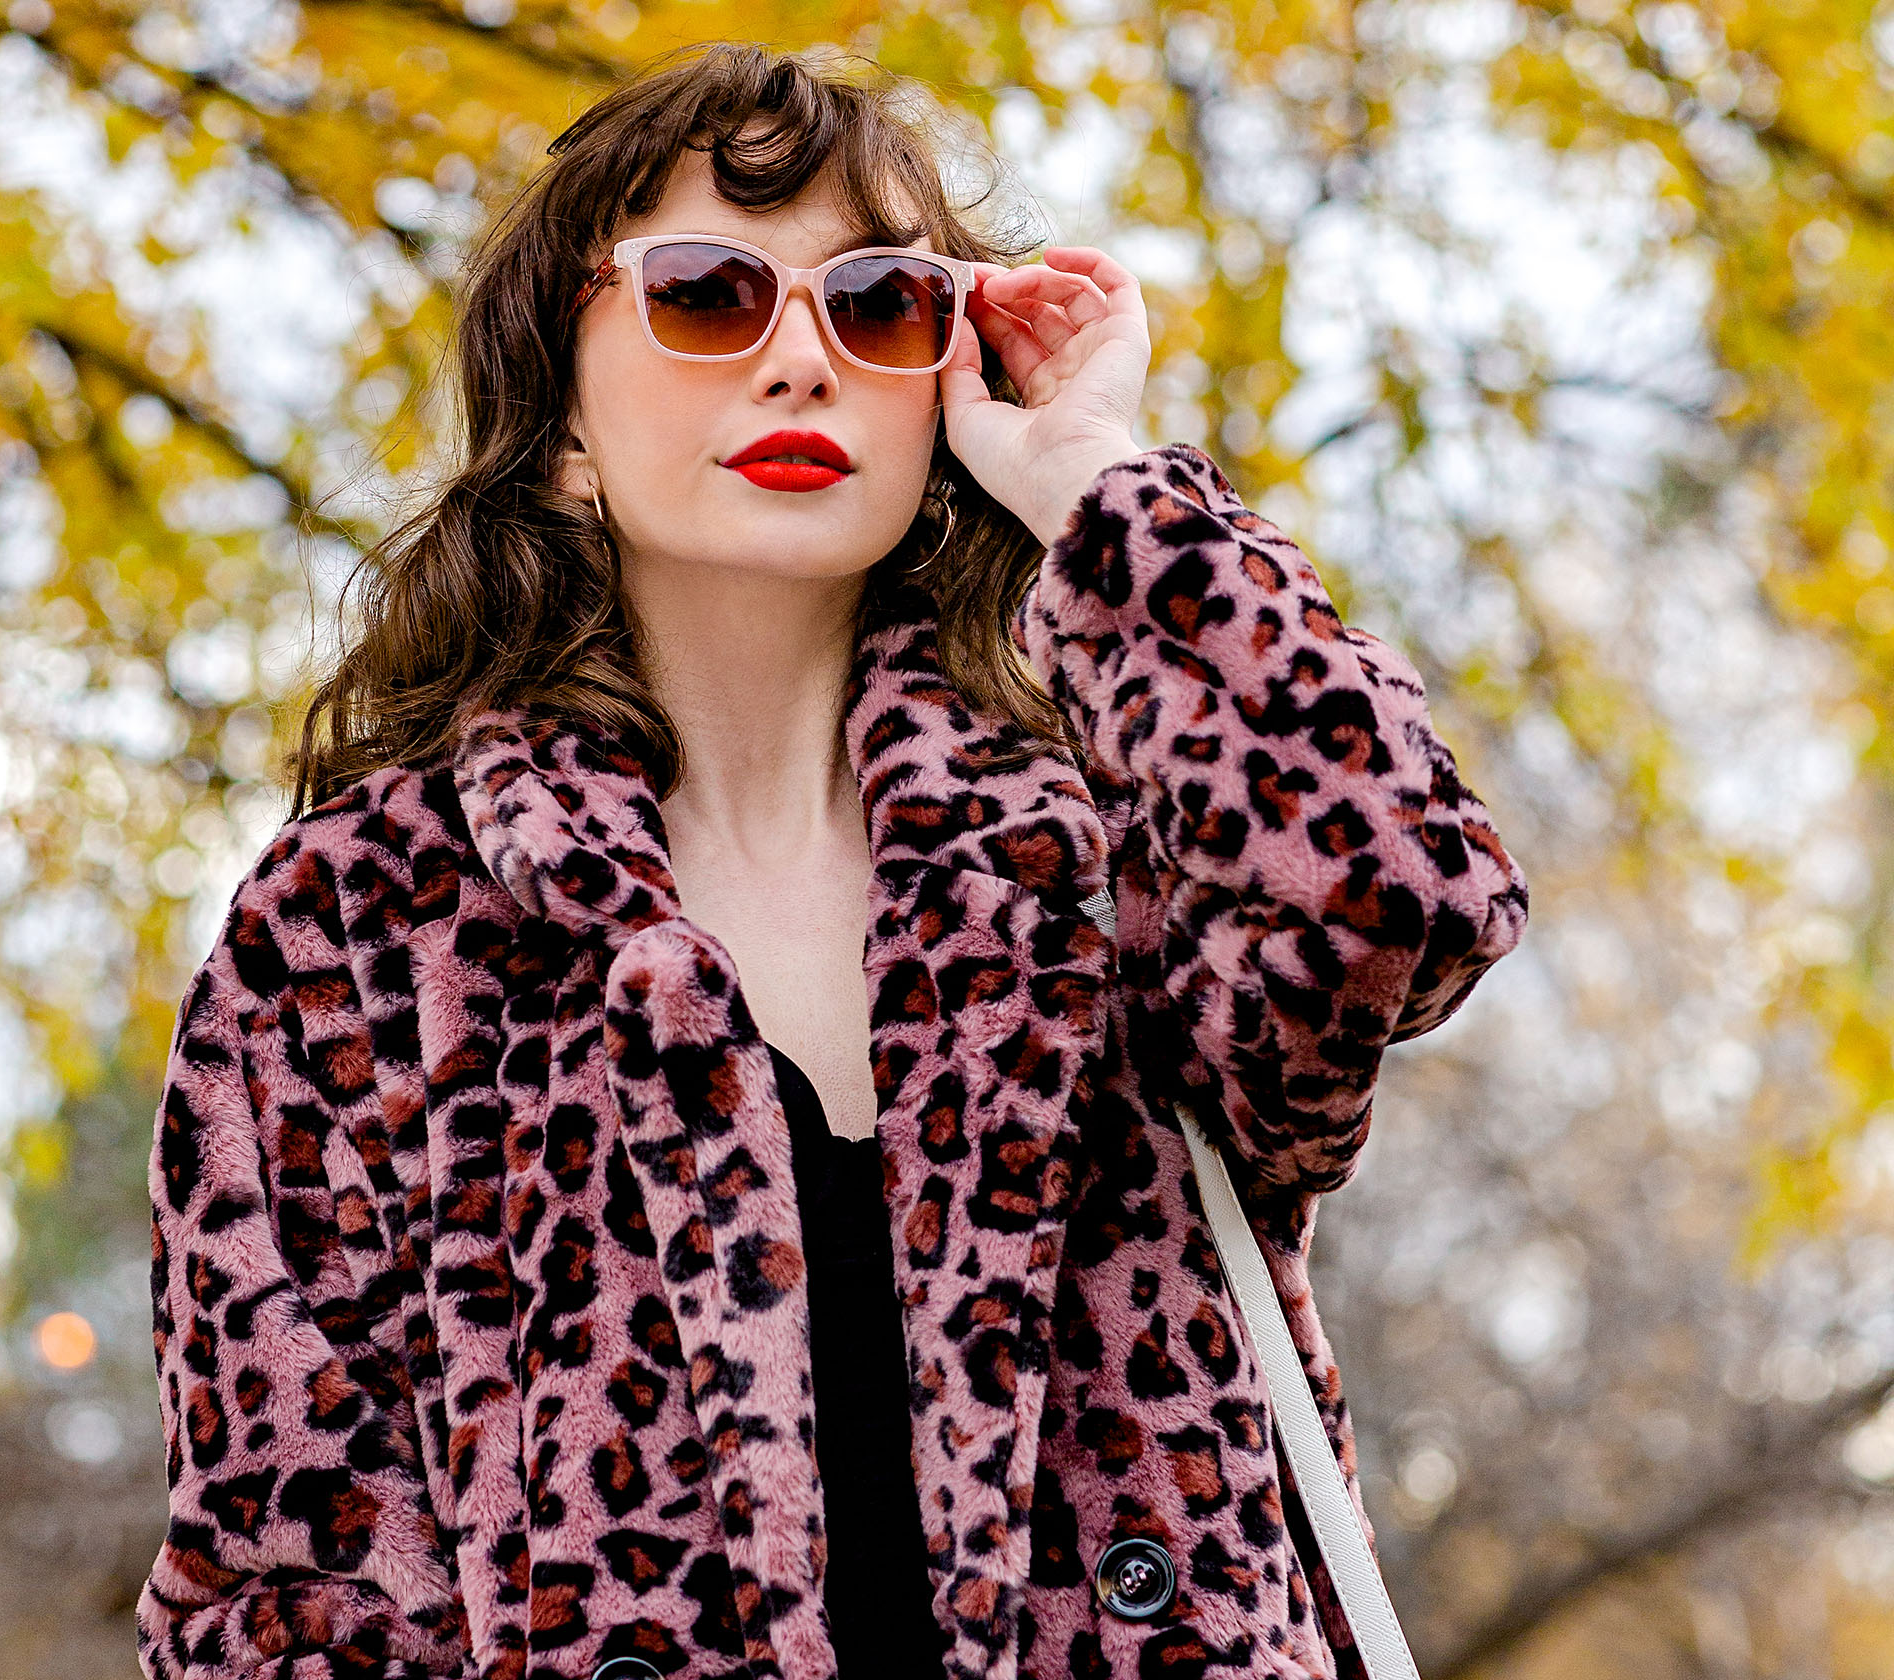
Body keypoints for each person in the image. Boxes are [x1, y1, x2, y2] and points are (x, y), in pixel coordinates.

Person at [137, 42, 1527, 1680]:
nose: (801, 358)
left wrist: (1093, 485)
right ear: (564, 423)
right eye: (713, 292)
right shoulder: (362, 931)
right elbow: (291, 1600)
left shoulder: (1100, 866)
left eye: (878, 306)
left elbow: (1397, 884)